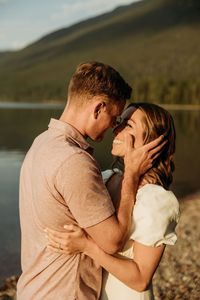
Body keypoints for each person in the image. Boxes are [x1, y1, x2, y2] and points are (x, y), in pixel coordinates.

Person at [17, 62, 164, 300]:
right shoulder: (74, 161)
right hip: (65, 293)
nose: (114, 128)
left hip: (33, 288)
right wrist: (131, 177)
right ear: (98, 108)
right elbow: (112, 241)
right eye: (115, 117)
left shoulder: (41, 143)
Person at [46, 103, 180, 300]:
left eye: (129, 125)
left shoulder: (157, 201)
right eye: (119, 122)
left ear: (153, 141)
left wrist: (86, 246)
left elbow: (141, 279)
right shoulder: (108, 178)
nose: (116, 128)